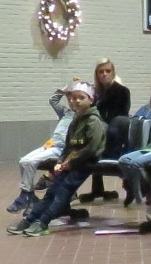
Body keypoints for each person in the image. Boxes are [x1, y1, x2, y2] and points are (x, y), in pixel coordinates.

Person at [8, 81, 107, 237]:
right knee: (51, 191)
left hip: (84, 164)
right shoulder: (75, 120)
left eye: (82, 97)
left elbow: (91, 149)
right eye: (73, 98)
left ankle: (43, 223)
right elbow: (68, 146)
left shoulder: (94, 121)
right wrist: (60, 162)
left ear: (91, 99)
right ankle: (31, 219)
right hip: (70, 163)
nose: (77, 101)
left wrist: (70, 162)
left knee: (63, 191)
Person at [8, 84, 79, 214]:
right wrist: (64, 90)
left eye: (75, 99)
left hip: (61, 150)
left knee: (30, 162)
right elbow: (53, 100)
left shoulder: (83, 116)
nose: (72, 102)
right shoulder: (66, 112)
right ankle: (29, 195)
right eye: (70, 99)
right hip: (50, 145)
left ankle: (25, 196)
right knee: (23, 161)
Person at [92, 58, 130, 127]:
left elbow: (118, 119)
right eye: (101, 72)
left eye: (108, 71)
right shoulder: (95, 92)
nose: (104, 74)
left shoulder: (122, 91)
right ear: (97, 75)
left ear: (113, 73)